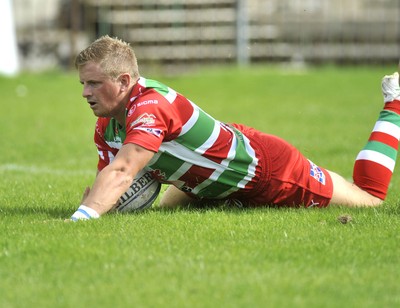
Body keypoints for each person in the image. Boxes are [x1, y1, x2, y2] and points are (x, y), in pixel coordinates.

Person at [70, 35, 400, 221]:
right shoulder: (106, 126)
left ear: (124, 81)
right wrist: (94, 204)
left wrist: (81, 219)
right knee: (166, 214)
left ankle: (394, 102)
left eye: (94, 83)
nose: (85, 92)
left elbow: (124, 171)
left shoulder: (151, 105)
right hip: (208, 175)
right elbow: (110, 177)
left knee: (367, 199)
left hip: (268, 171)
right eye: (84, 83)